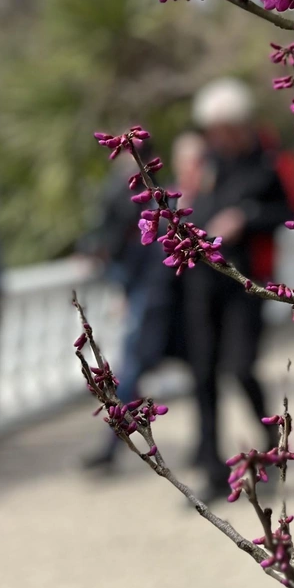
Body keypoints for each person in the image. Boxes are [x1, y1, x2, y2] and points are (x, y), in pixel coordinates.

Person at [185, 78, 291, 500]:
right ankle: (212, 470)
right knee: (203, 373)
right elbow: (191, 204)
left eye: (225, 128)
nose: (218, 137)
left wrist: (246, 215)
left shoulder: (267, 162)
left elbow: (289, 211)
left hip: (245, 282)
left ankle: (271, 440)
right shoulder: (204, 160)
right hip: (201, 281)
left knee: (241, 366)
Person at [82, 135, 197, 470]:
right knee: (133, 373)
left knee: (199, 373)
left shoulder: (160, 201)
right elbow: (113, 241)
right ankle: (113, 446)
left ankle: (204, 447)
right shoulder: (134, 197)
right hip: (153, 299)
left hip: (162, 301)